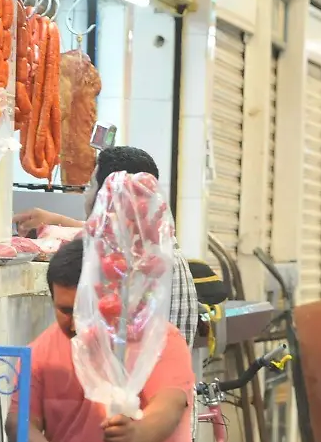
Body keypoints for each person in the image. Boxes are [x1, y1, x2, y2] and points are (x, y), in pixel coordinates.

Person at [6, 241, 197, 442]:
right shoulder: (40, 353)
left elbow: (170, 405)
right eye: (64, 310)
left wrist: (138, 432)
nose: (75, 323)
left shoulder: (158, 340)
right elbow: (18, 424)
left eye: (83, 310)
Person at [14, 147, 200, 346]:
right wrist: (55, 220)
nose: (86, 195)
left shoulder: (133, 259)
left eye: (90, 186)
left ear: (108, 194)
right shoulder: (153, 241)